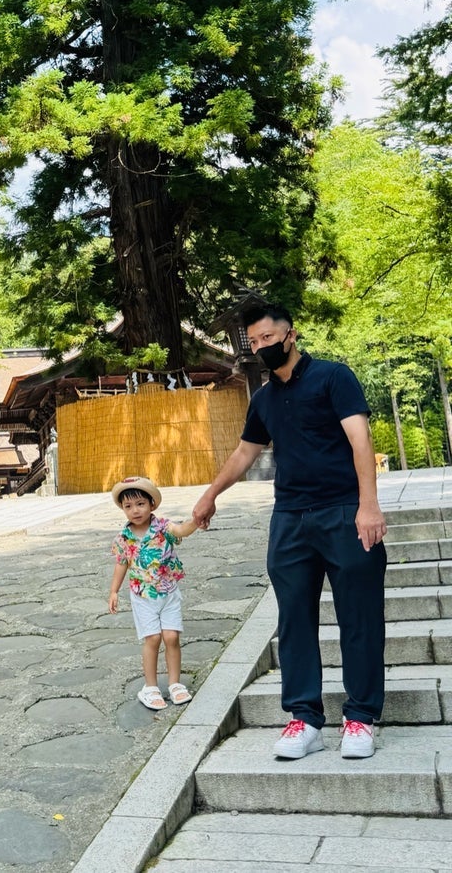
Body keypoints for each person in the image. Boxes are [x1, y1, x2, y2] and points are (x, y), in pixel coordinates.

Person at [192, 303, 387, 760]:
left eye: (267, 338)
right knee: (293, 620)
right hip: (290, 518)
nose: (261, 347)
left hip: (344, 511)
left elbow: (360, 439)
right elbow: (245, 453)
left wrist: (368, 505)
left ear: (290, 336)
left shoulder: (333, 377)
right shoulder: (263, 399)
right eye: (254, 342)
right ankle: (305, 718)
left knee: (359, 617)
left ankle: (360, 717)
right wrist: (211, 494)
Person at [108, 475, 199, 710]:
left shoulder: (163, 528)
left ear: (152, 504)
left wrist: (196, 520)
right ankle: (150, 687)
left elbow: (182, 530)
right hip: (143, 596)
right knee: (153, 638)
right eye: (128, 506)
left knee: (171, 637)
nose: (135, 510)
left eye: (140, 504)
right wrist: (114, 591)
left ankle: (175, 684)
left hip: (168, 592)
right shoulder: (124, 538)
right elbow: (121, 564)